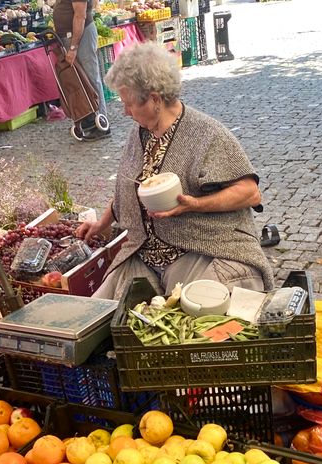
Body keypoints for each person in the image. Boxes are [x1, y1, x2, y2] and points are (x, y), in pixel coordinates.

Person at [76, 42, 273, 300]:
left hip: (202, 248)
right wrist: (100, 223)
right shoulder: (140, 135)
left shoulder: (207, 133)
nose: (125, 112)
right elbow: (131, 190)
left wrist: (194, 204)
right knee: (98, 315)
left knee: (191, 324)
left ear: (155, 99)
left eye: (129, 104)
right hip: (144, 254)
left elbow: (250, 193)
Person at [52, 0, 108, 139]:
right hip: (70, 36)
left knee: (90, 77)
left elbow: (80, 16)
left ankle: (101, 122)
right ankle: (88, 119)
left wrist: (73, 47)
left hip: (81, 37)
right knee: (80, 80)